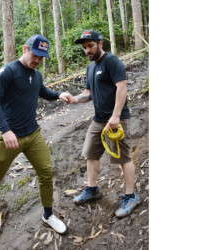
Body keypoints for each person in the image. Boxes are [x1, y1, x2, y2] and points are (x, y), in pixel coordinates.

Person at [0, 34, 71, 234]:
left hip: (33, 134)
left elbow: (41, 91)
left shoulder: (36, 75)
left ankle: (48, 214)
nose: (38, 60)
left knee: (45, 173)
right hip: (10, 137)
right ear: (25, 49)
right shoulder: (8, 72)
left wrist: (58, 94)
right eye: (35, 55)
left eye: (42, 57)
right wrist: (6, 130)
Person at [69, 30, 141, 218]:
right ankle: (92, 189)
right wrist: (74, 99)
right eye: (85, 48)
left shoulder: (112, 62)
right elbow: (89, 94)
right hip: (98, 120)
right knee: (91, 154)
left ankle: (131, 196)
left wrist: (116, 116)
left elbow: (122, 87)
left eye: (90, 46)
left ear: (100, 44)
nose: (87, 50)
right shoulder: (91, 67)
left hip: (116, 120)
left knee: (123, 158)